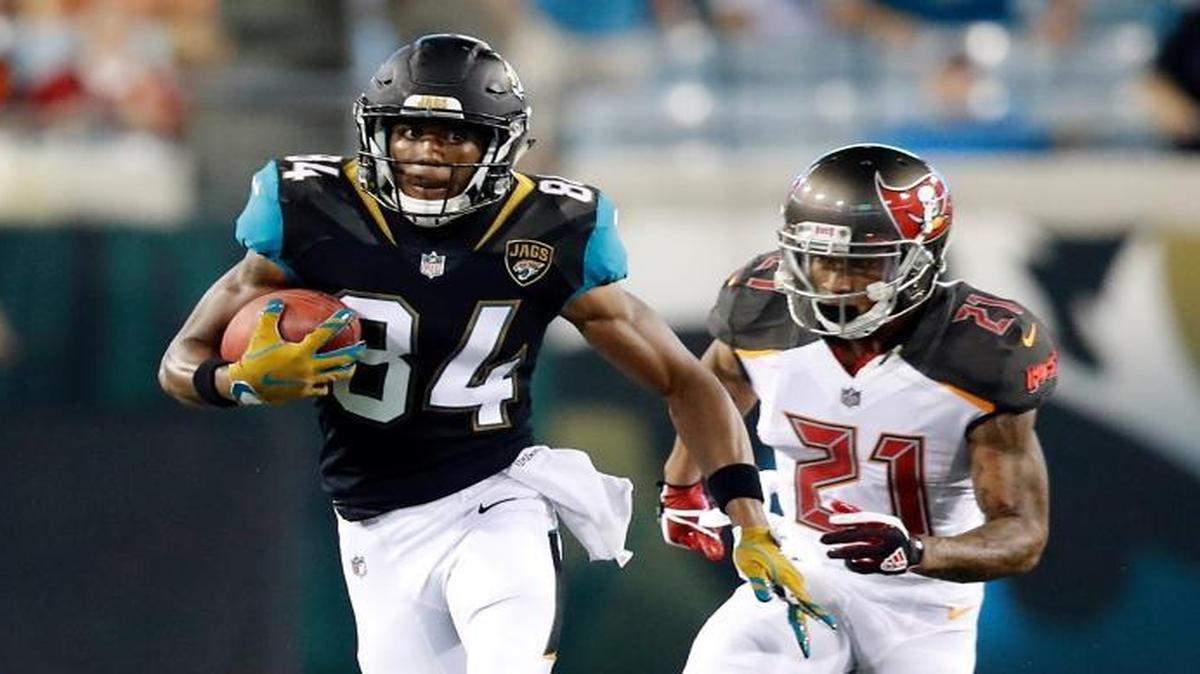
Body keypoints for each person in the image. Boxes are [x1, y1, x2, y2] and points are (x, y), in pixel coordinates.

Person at [158, 34, 831, 674]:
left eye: (455, 134)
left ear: (499, 144)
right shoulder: (310, 209)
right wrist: (237, 381)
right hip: (370, 522)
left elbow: (686, 381)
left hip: (495, 498)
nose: (427, 151)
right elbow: (179, 362)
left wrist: (748, 519)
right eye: (411, 130)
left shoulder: (552, 229)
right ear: (376, 131)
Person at [660, 144, 1055, 672]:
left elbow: (1022, 534)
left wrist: (916, 551)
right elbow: (713, 389)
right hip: (801, 571)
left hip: (926, 607)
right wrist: (682, 485)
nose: (837, 282)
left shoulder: (982, 351)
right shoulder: (764, 311)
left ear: (923, 259)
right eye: (820, 259)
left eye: (863, 262)